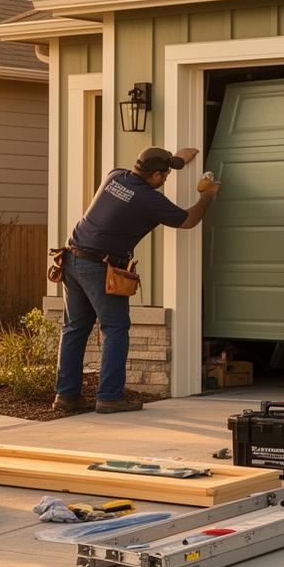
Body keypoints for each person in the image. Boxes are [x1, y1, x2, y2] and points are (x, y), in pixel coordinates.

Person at [57, 145, 219, 414]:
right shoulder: (149, 200)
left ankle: (66, 397)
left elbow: (151, 172)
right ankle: (109, 397)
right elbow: (189, 220)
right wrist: (207, 197)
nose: (166, 178)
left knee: (74, 329)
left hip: (71, 259)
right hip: (99, 266)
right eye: (165, 174)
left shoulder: (115, 176)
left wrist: (176, 161)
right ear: (155, 175)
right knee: (115, 328)